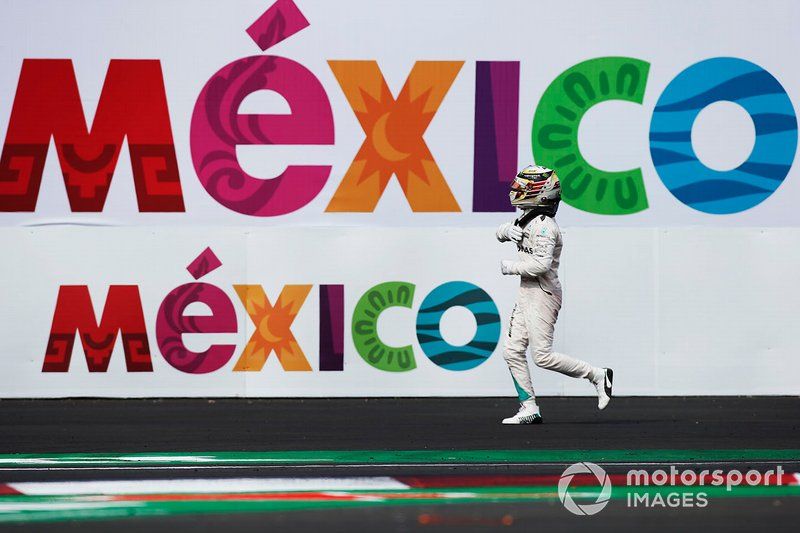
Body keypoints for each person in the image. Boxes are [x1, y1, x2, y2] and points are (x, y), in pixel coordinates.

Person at [496, 165, 613, 424]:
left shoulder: (546, 226)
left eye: (523, 186)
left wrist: (510, 267)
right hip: (527, 292)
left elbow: (541, 266)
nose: (516, 190)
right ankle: (529, 408)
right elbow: (502, 233)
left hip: (543, 294)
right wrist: (506, 231)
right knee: (512, 351)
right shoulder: (527, 217)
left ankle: (597, 374)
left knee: (542, 356)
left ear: (540, 193)